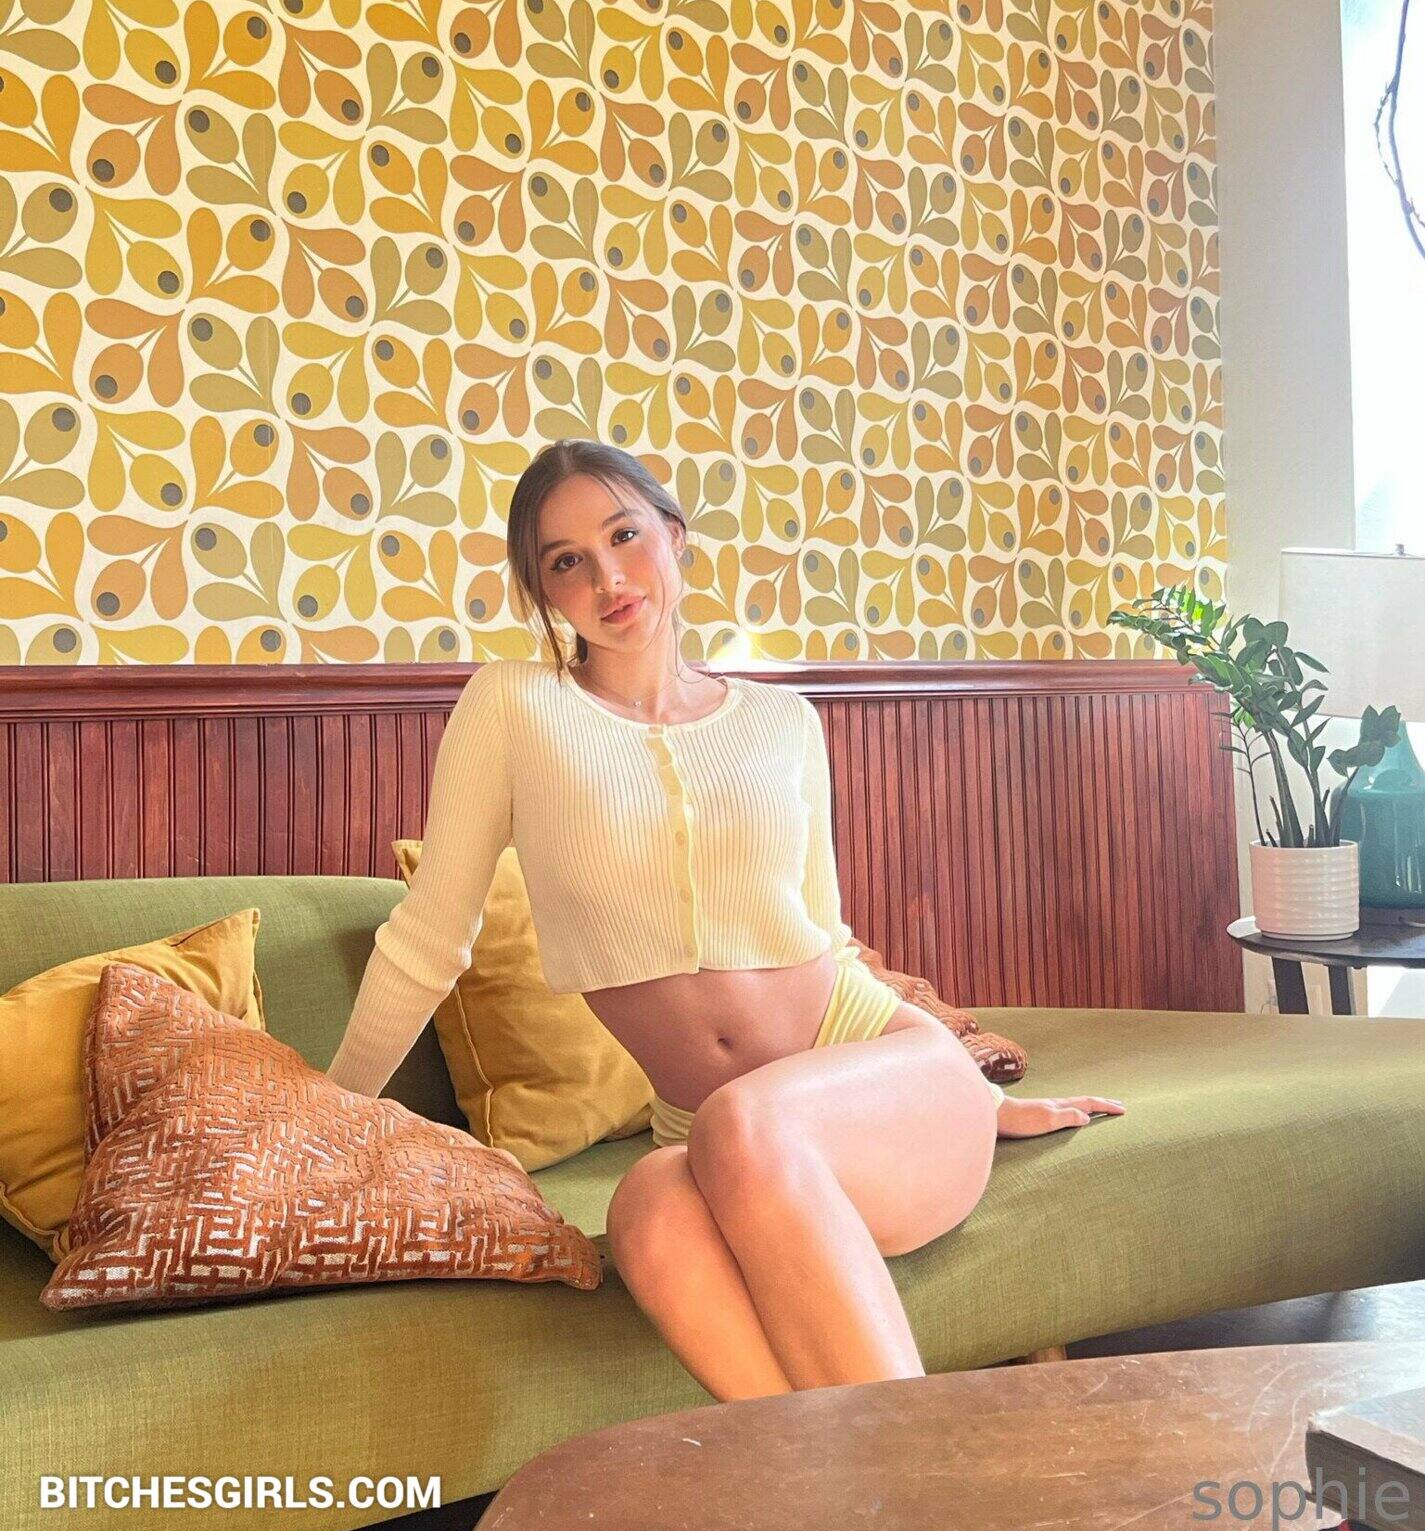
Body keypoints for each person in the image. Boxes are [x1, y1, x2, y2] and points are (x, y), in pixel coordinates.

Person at [327, 438, 1125, 1400]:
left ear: (674, 536)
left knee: (743, 1123)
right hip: (709, 1135)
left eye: (624, 536)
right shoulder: (513, 707)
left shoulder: (781, 722)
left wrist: (986, 1103)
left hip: (880, 1082)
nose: (608, 578)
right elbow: (426, 942)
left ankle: (922, 1466)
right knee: (646, 1205)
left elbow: (824, 934)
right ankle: (830, 1478)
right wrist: (327, 1122)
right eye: (567, 561)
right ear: (543, 592)